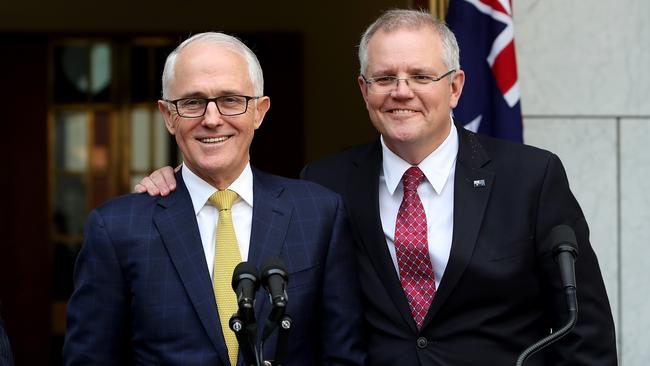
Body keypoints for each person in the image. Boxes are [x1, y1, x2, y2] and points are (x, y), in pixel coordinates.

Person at [136, 10, 618, 365]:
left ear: (455, 87)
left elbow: (586, 331)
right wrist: (180, 183)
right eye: (384, 78)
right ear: (364, 90)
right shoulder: (324, 184)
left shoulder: (531, 176)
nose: (400, 90)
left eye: (420, 76)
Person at [63, 32, 365, 366]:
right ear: (168, 115)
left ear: (259, 111)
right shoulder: (117, 229)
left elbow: (343, 356)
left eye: (231, 100)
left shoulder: (320, 213)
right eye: (192, 102)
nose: (211, 118)